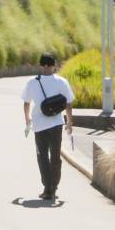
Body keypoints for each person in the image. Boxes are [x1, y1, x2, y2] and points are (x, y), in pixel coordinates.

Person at [21, 53, 75, 205]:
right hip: (56, 124)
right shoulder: (62, 82)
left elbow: (26, 102)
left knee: (42, 157)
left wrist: (27, 119)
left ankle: (47, 187)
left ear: (41, 66)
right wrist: (69, 122)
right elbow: (69, 103)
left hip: (39, 126)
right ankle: (53, 187)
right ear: (54, 66)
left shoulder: (32, 82)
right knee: (55, 156)